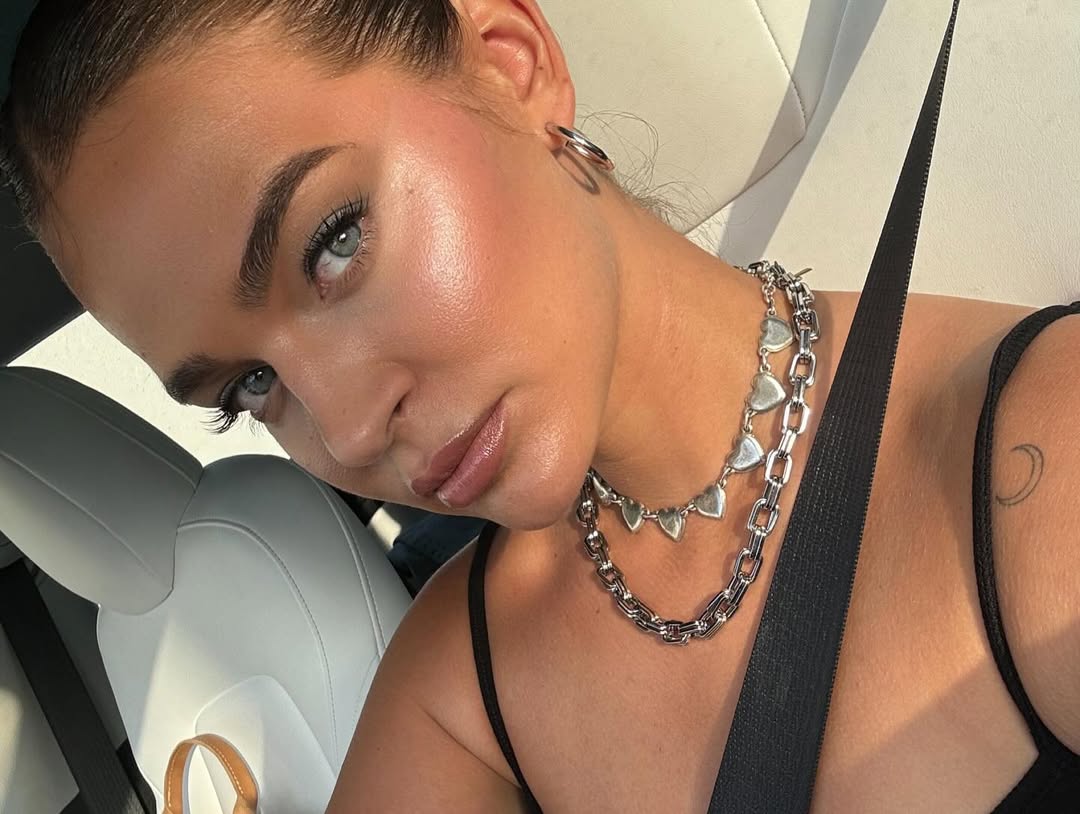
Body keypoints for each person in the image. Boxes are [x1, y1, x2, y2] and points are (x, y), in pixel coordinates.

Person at [2, 0, 1078, 810]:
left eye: (334, 242)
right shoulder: (456, 690)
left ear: (513, 67)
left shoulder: (1039, 464)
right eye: (251, 386)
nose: (346, 429)